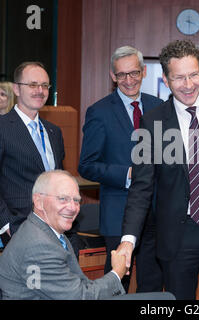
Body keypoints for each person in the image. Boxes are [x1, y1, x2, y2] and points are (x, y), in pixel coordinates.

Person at [117, 39, 199, 300]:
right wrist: (128, 239)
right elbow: (142, 186)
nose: (188, 85)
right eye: (179, 78)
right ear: (166, 80)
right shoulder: (152, 120)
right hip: (177, 235)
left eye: (194, 75)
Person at [0, 170, 175, 300]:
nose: (72, 207)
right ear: (38, 201)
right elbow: (80, 296)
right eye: (63, 199)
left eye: (76, 200)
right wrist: (117, 273)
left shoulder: (48, 232)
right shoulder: (38, 244)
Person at [78, 46, 164, 292]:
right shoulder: (99, 112)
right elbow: (86, 165)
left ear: (144, 72)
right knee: (118, 283)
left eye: (134, 73)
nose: (129, 80)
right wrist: (126, 174)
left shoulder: (158, 107)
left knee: (152, 281)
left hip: (156, 211)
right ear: (113, 76)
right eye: (122, 75)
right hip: (118, 213)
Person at [0, 62, 69, 250]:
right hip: (19, 228)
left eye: (45, 85)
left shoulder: (54, 131)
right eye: (32, 85)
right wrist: (5, 224)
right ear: (16, 89)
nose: (40, 90)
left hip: (56, 228)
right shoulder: (3, 128)